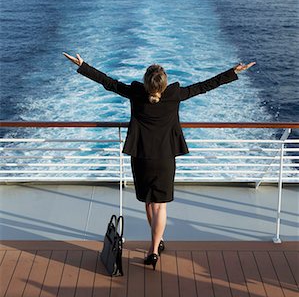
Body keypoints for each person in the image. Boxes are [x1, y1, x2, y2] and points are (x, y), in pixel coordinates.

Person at [63, 51, 255, 270]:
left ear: (146, 83)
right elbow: (205, 86)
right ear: (164, 84)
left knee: (148, 201)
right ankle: (154, 249)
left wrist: (83, 65)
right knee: (160, 206)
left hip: (141, 156)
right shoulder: (174, 95)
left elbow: (109, 83)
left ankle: (156, 241)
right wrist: (232, 72)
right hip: (164, 158)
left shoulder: (136, 93)